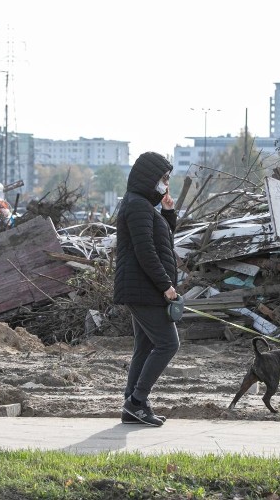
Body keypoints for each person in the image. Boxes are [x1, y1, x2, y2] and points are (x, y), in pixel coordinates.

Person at [113, 151, 180, 427]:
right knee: (168, 343)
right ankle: (138, 402)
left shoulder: (142, 205)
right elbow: (146, 252)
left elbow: (164, 241)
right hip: (144, 289)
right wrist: (166, 285)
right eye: (163, 178)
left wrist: (168, 212)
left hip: (142, 288)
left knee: (145, 345)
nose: (165, 183)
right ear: (149, 177)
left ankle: (132, 405)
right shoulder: (137, 206)